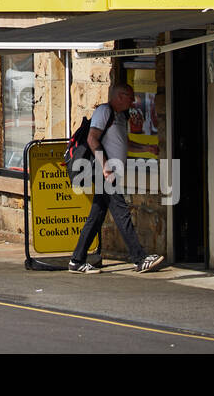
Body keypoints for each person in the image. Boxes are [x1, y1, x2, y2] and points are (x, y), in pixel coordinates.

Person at [68, 82, 165, 275]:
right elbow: (92, 139)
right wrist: (105, 167)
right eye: (130, 97)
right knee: (121, 212)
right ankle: (139, 258)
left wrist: (146, 148)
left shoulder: (121, 116)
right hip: (104, 171)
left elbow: (124, 143)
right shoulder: (104, 111)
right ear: (120, 96)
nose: (133, 101)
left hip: (111, 171)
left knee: (96, 216)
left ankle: (76, 261)